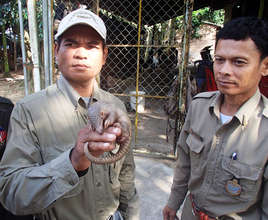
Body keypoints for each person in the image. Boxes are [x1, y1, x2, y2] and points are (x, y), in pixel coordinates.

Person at [0, 8, 139, 220]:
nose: (81, 53)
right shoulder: (28, 111)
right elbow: (11, 192)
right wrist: (73, 161)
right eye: (71, 44)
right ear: (56, 51)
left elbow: (126, 174)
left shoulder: (115, 106)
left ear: (104, 56)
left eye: (91, 46)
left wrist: (131, 215)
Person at [163, 16, 268, 220]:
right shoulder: (199, 106)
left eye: (239, 62)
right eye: (219, 60)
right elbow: (185, 162)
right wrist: (173, 202)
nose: (224, 71)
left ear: (265, 66)